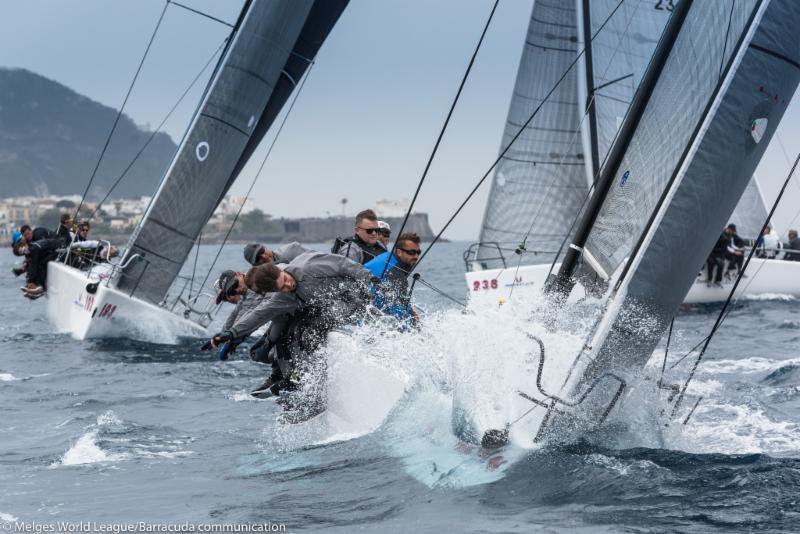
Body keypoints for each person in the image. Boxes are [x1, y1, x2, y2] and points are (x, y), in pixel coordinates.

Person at [212, 252, 372, 409]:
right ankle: (304, 385)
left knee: (311, 334)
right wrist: (232, 333)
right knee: (296, 333)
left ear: (281, 271)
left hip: (351, 298)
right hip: (325, 306)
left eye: (286, 280)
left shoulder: (309, 266)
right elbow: (259, 314)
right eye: (283, 288)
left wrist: (369, 278)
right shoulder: (283, 296)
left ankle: (318, 395)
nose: (288, 285)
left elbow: (343, 264)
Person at [364, 232, 421, 322]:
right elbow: (398, 311)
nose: (416, 256)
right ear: (399, 252)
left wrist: (410, 310)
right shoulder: (394, 272)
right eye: (412, 252)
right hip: (364, 312)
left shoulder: (387, 257)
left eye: (418, 252)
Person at [243, 242, 310, 266]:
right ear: (255, 265)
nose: (264, 256)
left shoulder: (293, 249)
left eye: (261, 251)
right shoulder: (257, 279)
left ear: (265, 247)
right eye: (258, 258)